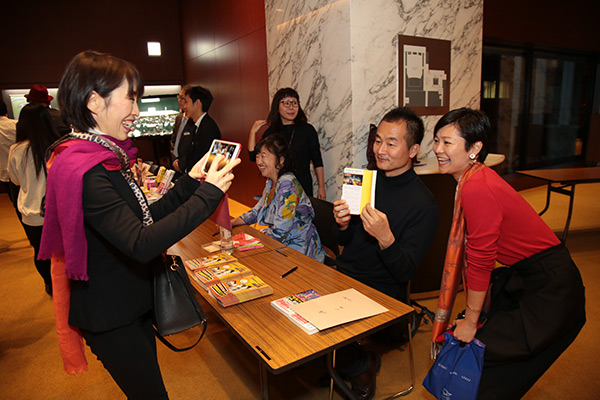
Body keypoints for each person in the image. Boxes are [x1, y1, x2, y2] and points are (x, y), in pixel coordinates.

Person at [37, 50, 240, 399]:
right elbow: (140, 242)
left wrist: (191, 183)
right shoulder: (83, 170)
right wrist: (209, 195)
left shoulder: (104, 157)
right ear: (94, 102)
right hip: (111, 314)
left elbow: (145, 217)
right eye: (130, 99)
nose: (137, 110)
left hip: (130, 299)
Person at [431, 108, 586, 399]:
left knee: (486, 358)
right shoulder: (473, 179)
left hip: (551, 286)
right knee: (484, 360)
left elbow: (481, 259)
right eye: (436, 140)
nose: (438, 149)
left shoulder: (476, 186)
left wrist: (471, 321)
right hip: (529, 274)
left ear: (475, 148)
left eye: (447, 142)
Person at [332, 107, 439, 400]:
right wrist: (342, 224)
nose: (380, 150)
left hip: (382, 288)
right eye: (378, 140)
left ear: (413, 150)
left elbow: (405, 272)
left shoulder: (425, 204)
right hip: (344, 274)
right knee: (289, 313)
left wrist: (386, 238)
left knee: (317, 331)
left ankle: (360, 364)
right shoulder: (366, 180)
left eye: (391, 143)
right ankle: (344, 359)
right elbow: (344, 240)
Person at [232, 134, 325, 262]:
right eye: (258, 156)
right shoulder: (271, 182)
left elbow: (281, 230)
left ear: (281, 160)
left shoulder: (287, 185)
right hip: (281, 244)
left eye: (264, 156)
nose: (259, 161)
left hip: (299, 249)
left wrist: (253, 241)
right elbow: (257, 211)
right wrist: (232, 222)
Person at [7, 104, 62, 295]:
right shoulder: (58, 148)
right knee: (63, 252)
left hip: (31, 213)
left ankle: (50, 285)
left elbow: (14, 180)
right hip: (59, 211)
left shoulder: (17, 150)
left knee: (40, 252)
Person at [248, 88, 326, 200]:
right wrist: (252, 132)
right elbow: (253, 156)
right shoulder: (271, 132)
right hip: (278, 187)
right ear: (277, 106)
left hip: (302, 185)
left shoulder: (307, 130)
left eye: (294, 103)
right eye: (286, 103)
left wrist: (321, 187)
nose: (291, 107)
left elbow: (317, 160)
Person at [179, 85, 221, 173]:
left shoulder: (209, 128)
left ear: (197, 103)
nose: (184, 107)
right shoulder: (195, 125)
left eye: (186, 102)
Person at [169, 85, 190, 174]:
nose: (179, 100)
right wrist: (175, 159)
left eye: (182, 98)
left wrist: (181, 163)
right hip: (175, 162)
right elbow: (174, 140)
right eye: (178, 97)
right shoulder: (179, 118)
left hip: (187, 165)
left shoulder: (193, 120)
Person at [0, 99, 17, 202]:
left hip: (3, 171)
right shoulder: (16, 124)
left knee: (14, 200)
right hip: (20, 169)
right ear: (7, 110)